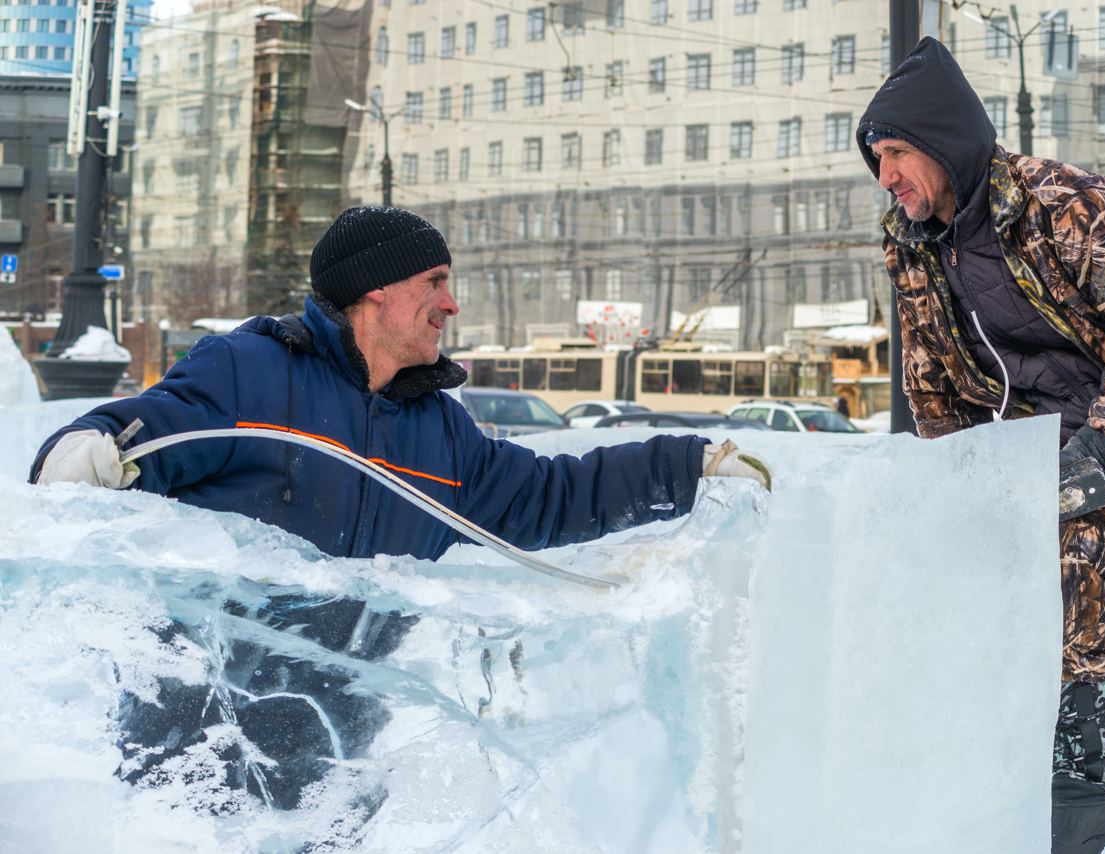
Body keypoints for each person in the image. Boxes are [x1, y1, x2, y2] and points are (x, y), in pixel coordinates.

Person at [29, 205, 772, 810]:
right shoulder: (249, 372)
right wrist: (84, 445)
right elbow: (152, 430)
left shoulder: (440, 430)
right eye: (436, 281)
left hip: (335, 761)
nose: (451, 303)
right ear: (376, 289)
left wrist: (681, 465)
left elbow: (547, 495)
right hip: (195, 744)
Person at [857, 38, 1105, 854]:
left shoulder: (1062, 203)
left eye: (898, 152)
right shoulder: (910, 245)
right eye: (875, 159)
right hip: (1059, 455)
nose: (887, 175)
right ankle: (1087, 769)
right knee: (1047, 576)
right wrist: (954, 482)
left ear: (944, 141)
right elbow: (932, 387)